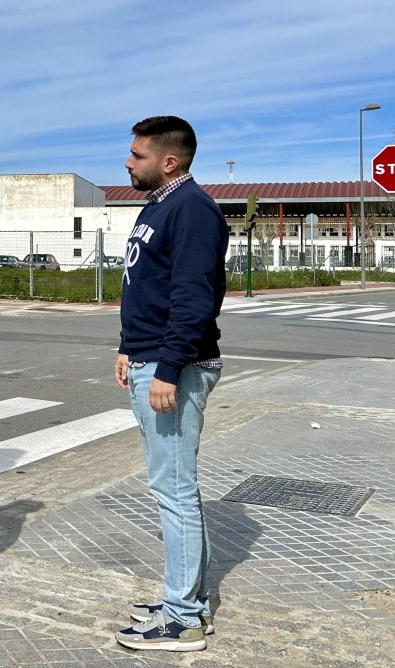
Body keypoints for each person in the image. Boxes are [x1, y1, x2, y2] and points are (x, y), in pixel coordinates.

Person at [112, 116, 229, 653]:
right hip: (151, 357)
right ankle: (187, 601)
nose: (128, 162)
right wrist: (127, 346)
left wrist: (165, 368)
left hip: (173, 367)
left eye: (137, 155)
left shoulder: (193, 210)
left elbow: (192, 296)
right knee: (172, 486)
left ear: (169, 161)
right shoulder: (159, 205)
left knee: (175, 491)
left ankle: (182, 619)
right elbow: (145, 285)